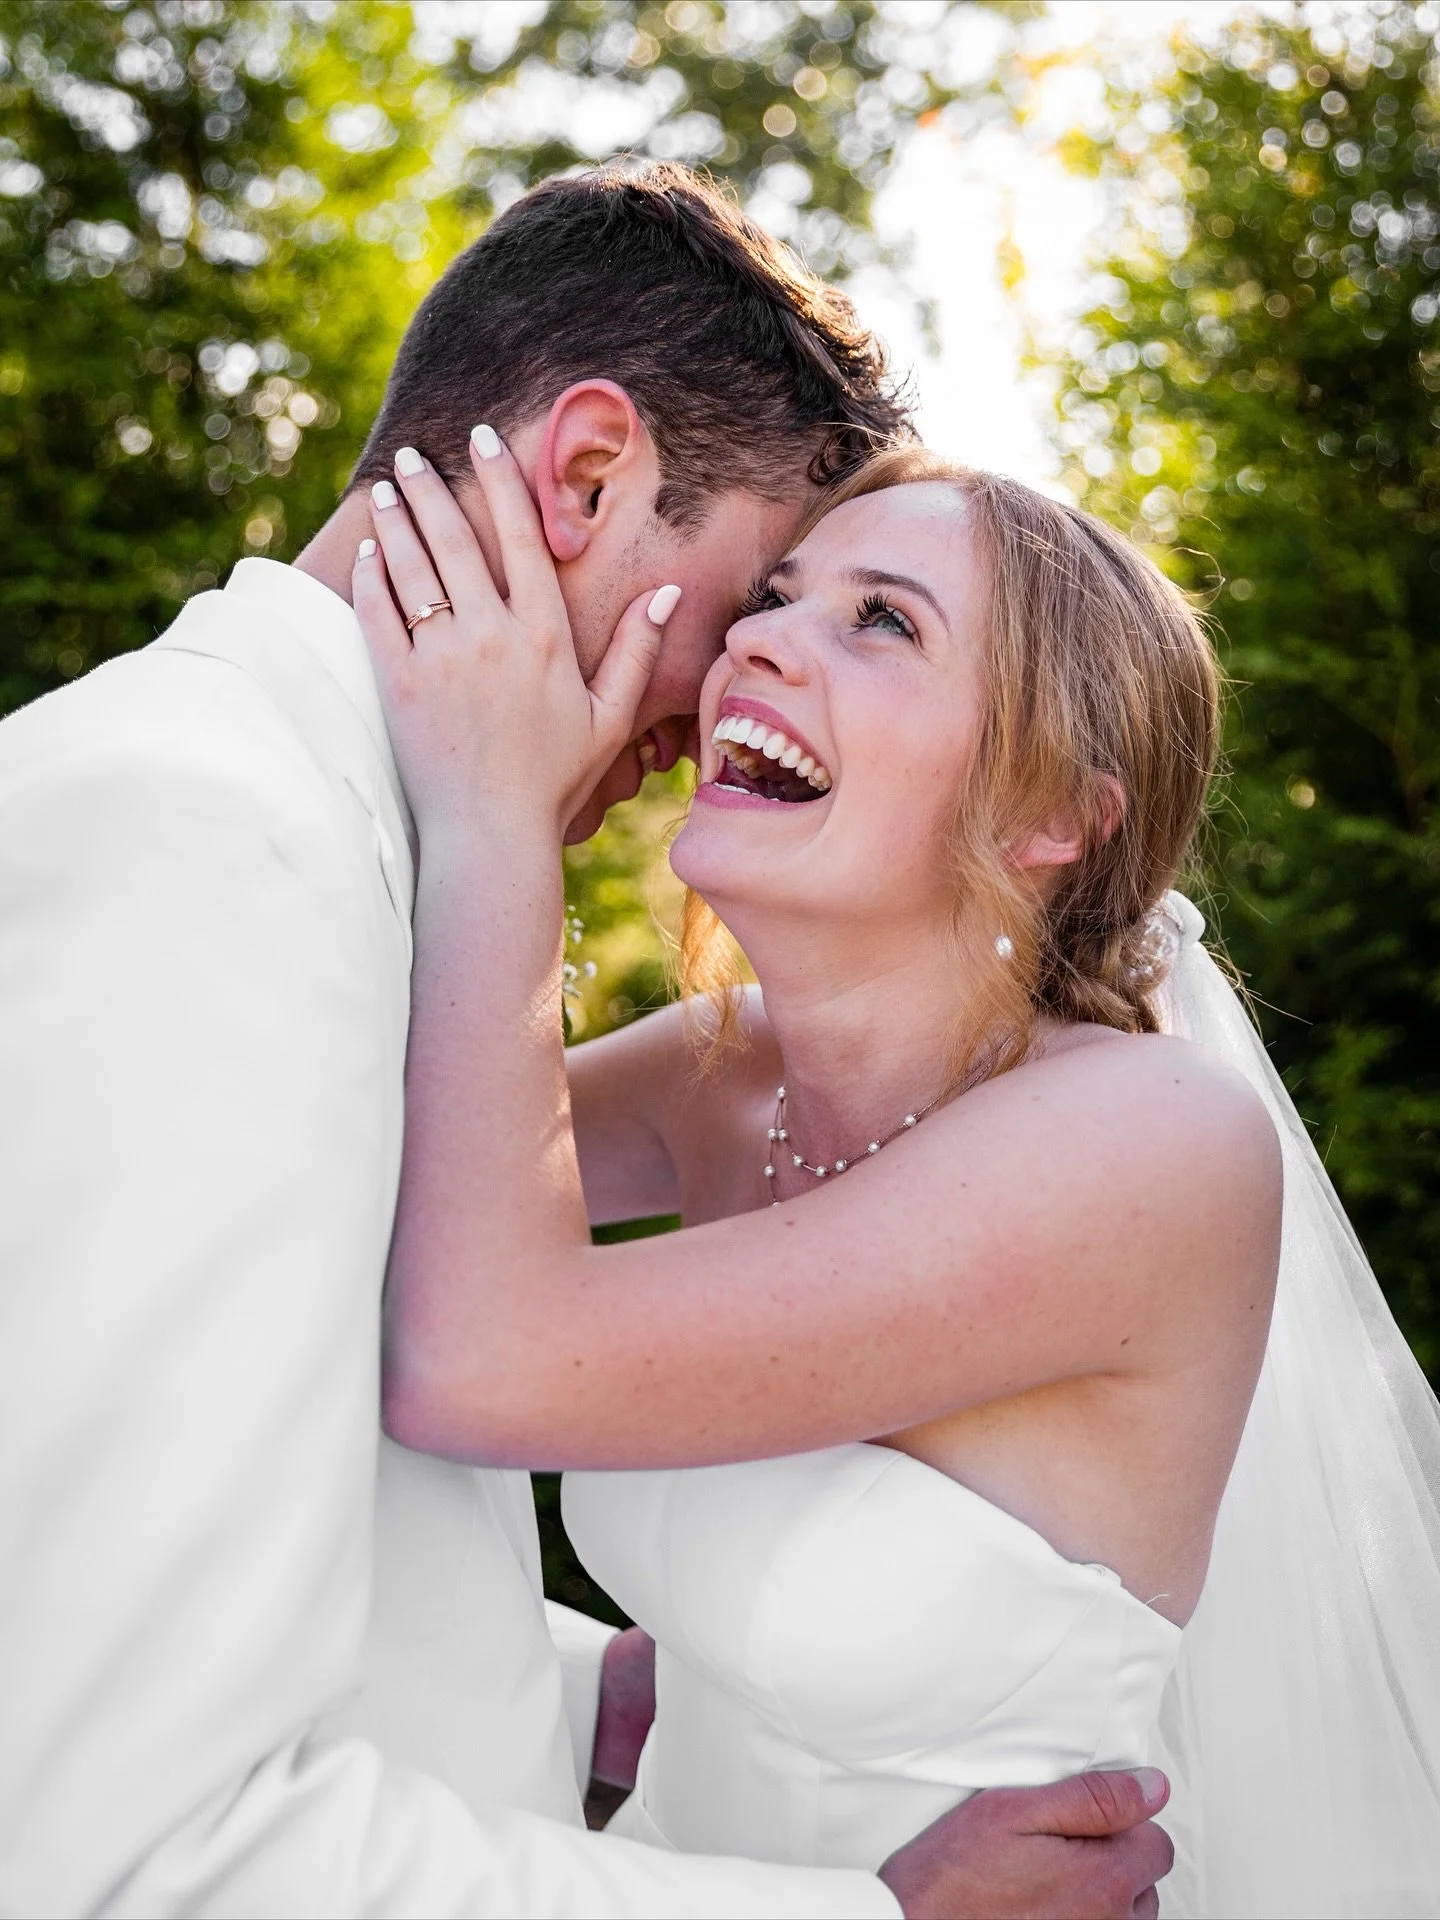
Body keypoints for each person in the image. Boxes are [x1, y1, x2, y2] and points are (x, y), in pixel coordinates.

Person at [0, 163, 1173, 1919]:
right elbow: (134, 1848)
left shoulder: (310, 844)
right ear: (590, 476)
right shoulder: (194, 841)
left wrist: (581, 1693)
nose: (728, 699)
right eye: (752, 598)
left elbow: (165, 1552)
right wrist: (875, 1918)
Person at [354, 433, 1440, 1917]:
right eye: (776, 596)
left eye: (882, 621)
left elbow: (474, 1357)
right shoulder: (722, 1067)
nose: (755, 642)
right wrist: (606, 1682)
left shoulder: (1149, 1143)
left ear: (1053, 816)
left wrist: (498, 812)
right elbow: (358, 1158)